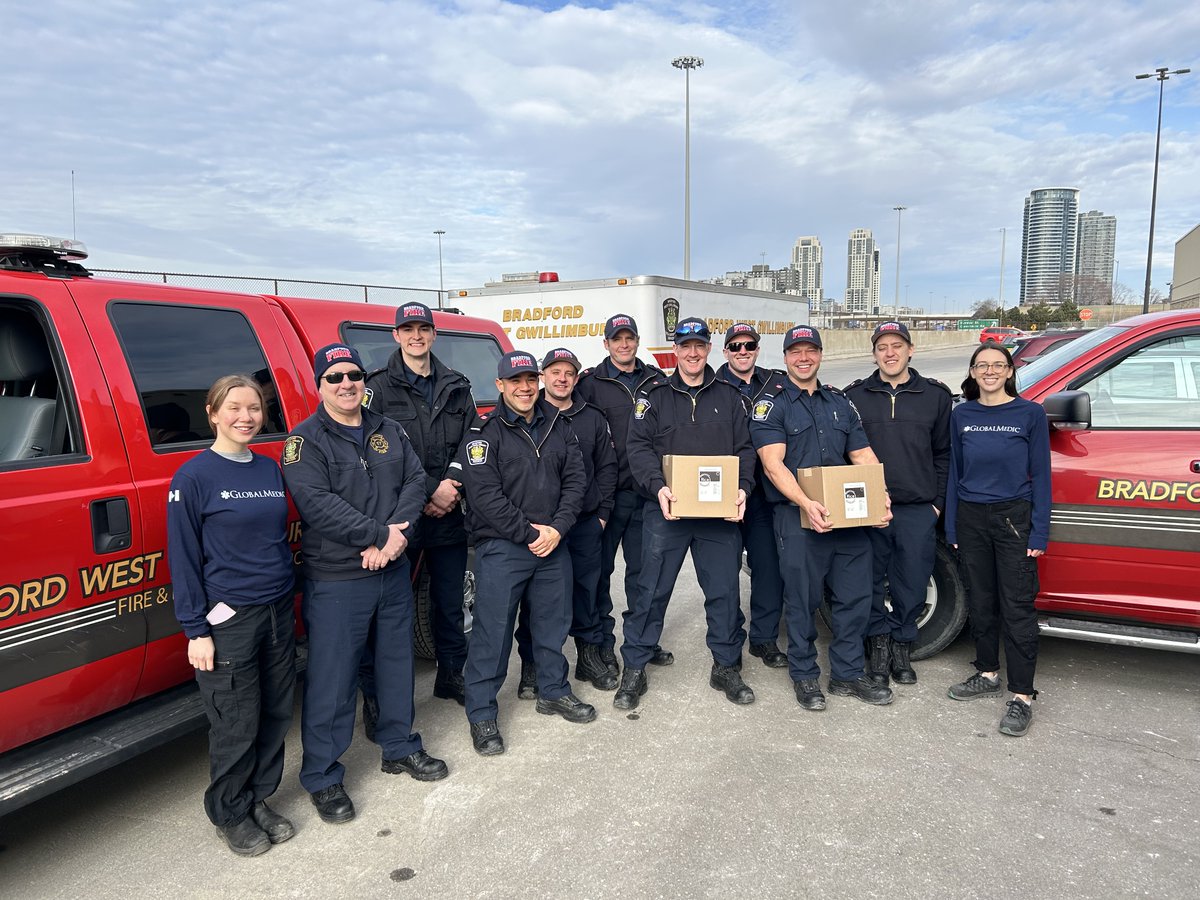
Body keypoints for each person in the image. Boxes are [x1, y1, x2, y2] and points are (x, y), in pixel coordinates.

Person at [282, 342, 448, 826]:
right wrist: (380, 535)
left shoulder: (389, 429)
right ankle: (323, 776)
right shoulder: (305, 441)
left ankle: (398, 746)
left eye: (353, 374)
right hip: (338, 578)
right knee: (333, 680)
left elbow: (416, 483)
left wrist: (395, 539)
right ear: (319, 386)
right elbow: (316, 504)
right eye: (334, 377)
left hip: (392, 569)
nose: (346, 383)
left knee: (396, 666)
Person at [167, 374, 296, 856]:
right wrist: (196, 630)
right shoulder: (193, 477)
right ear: (213, 412)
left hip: (278, 609)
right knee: (235, 720)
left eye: (256, 408)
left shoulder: (267, 469)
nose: (246, 417)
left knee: (277, 710)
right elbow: (182, 559)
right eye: (235, 408)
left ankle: (260, 797)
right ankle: (230, 811)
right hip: (229, 618)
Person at [614, 317, 757, 710]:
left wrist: (743, 489)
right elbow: (638, 448)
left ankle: (726, 666)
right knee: (651, 590)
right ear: (674, 350)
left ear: (709, 348)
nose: (692, 353)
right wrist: (656, 487)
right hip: (667, 510)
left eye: (699, 345)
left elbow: (745, 450)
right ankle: (635, 667)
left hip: (718, 516)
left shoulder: (729, 396)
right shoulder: (654, 396)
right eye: (685, 345)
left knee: (725, 592)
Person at [750, 325, 894, 711]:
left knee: (855, 597)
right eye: (795, 352)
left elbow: (862, 455)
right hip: (798, 519)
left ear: (819, 354)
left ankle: (847, 675)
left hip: (847, 518)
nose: (803, 358)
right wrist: (805, 503)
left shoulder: (840, 403)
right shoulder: (773, 404)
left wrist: (880, 496)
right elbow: (772, 465)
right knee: (802, 599)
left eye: (810, 351)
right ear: (784, 358)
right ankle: (805, 675)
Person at [459, 350, 593, 756]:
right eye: (515, 381)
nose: (525, 387)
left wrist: (557, 528)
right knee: (492, 633)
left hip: (553, 542)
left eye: (530, 379)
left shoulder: (558, 425)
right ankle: (482, 713)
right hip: (503, 546)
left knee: (553, 626)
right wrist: (529, 532)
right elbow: (484, 497)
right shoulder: (484, 433)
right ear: (500, 385)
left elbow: (576, 481)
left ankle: (553, 690)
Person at [362, 301, 475, 723]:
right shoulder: (375, 388)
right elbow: (376, 451)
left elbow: (472, 443)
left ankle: (451, 676)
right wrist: (431, 489)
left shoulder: (457, 386)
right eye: (407, 329)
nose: (416, 336)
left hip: (449, 511)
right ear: (395, 335)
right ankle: (380, 699)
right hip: (400, 515)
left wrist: (452, 486)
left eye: (423, 328)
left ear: (433, 333)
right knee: (390, 610)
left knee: (448, 602)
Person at [945, 342, 1051, 737]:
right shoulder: (963, 415)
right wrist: (954, 526)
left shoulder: (1030, 414)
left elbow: (1041, 475)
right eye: (981, 365)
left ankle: (1022, 695)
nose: (989, 371)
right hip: (971, 518)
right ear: (972, 373)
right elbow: (956, 472)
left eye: (998, 365)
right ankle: (987, 673)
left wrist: (1038, 530)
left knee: (1017, 607)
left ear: (1009, 371)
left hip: (1013, 519)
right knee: (982, 602)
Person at [844, 321, 952, 685]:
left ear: (910, 349)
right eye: (882, 347)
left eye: (897, 346)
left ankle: (903, 644)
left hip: (916, 509)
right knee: (870, 581)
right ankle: (878, 646)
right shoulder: (853, 396)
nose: (889, 353)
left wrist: (936, 504)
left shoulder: (936, 397)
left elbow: (944, 455)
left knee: (912, 580)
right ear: (874, 353)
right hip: (867, 508)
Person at [514, 348, 619, 695]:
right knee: (536, 601)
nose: (562, 378)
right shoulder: (531, 416)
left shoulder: (592, 417)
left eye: (568, 373)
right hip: (541, 530)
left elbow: (607, 468)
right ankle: (532, 666)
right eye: (555, 372)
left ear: (576, 378)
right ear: (543, 376)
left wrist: (602, 515)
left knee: (587, 592)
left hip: (584, 524)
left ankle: (587, 657)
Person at [575, 314, 672, 678]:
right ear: (606, 344)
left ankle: (641, 640)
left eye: (629, 337)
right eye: (617, 339)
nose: (624, 344)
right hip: (605, 497)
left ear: (636, 340)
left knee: (643, 574)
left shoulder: (656, 381)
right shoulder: (590, 384)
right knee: (599, 573)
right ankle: (602, 644)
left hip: (644, 495)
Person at [715, 322, 787, 669]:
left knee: (768, 569)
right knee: (725, 573)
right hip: (725, 494)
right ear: (725, 351)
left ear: (757, 349)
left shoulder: (778, 383)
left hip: (766, 494)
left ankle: (764, 639)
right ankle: (730, 642)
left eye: (748, 346)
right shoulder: (712, 385)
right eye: (735, 346)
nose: (742, 352)